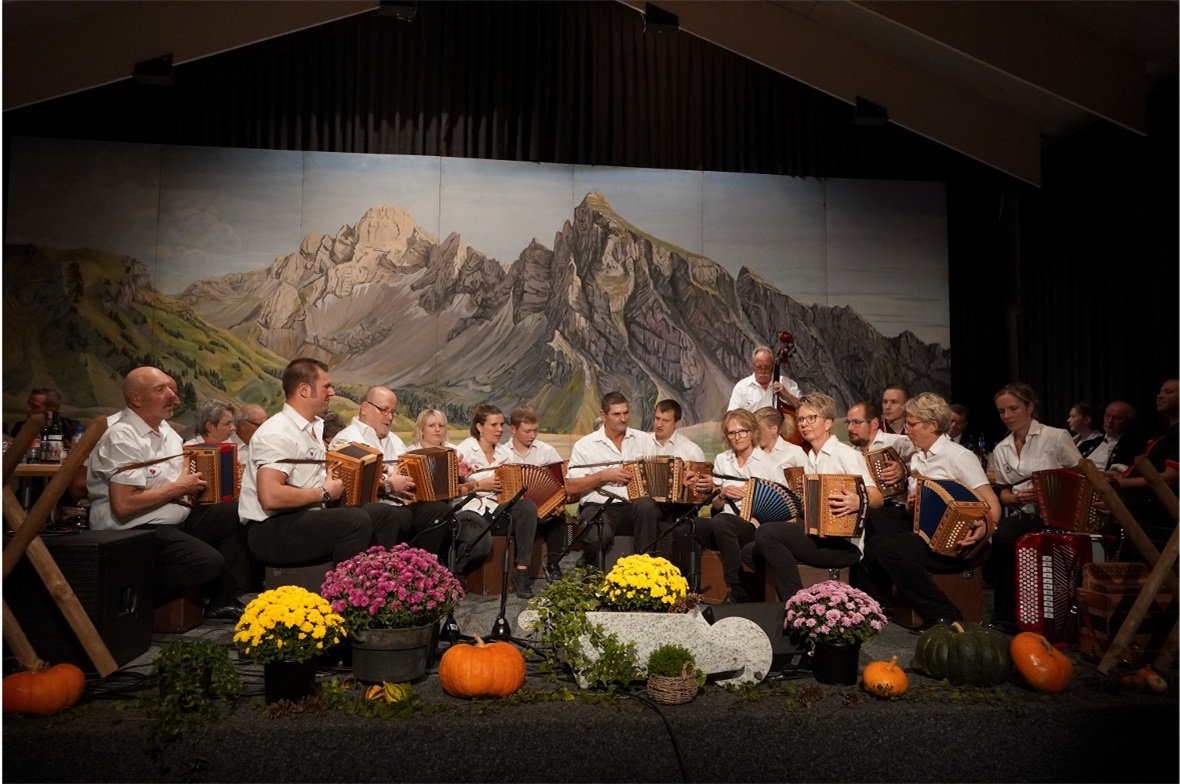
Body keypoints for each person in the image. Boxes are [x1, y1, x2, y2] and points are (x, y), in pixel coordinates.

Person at [85, 367, 247, 621]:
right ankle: (123, 597)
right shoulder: (122, 436)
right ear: (136, 399)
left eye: (171, 389)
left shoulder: (168, 434)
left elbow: (181, 479)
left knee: (238, 511)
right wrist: (179, 488)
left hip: (173, 517)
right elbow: (124, 505)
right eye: (161, 390)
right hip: (134, 529)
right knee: (207, 562)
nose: (173, 396)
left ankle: (221, 599)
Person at [238, 358, 404, 570]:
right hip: (271, 530)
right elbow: (271, 496)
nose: (332, 392)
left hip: (305, 516)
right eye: (326, 386)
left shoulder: (312, 429)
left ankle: (378, 586)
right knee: (355, 519)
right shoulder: (277, 432)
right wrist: (324, 493)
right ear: (305, 390)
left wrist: (366, 475)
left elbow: (317, 479)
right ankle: (344, 595)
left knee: (385, 514)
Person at [860, 393, 1001, 629]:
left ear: (933, 425)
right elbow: (913, 507)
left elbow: (991, 503)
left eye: (912, 424)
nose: (907, 430)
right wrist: (912, 504)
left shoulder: (959, 457)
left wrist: (987, 526)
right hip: (925, 530)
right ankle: (881, 604)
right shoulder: (918, 458)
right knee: (868, 528)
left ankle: (944, 613)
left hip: (958, 539)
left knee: (889, 549)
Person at [746, 393, 882, 601]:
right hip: (817, 537)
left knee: (767, 533)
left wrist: (858, 500)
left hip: (842, 546)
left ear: (828, 423)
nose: (804, 424)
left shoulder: (845, 455)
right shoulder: (811, 458)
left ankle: (795, 602)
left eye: (811, 418)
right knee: (748, 552)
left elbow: (876, 496)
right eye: (801, 419)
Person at [984, 382, 1083, 631]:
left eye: (1013, 409)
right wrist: (1017, 499)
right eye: (1001, 411)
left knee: (1004, 536)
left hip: (1058, 515)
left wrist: (1047, 493)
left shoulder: (1055, 437)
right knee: (995, 537)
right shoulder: (1002, 448)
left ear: (1030, 406)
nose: (1007, 416)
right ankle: (1008, 615)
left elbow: (1083, 476)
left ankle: (1008, 615)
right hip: (1021, 513)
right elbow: (1004, 493)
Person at [328, 386, 451, 556]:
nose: (390, 417)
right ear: (365, 408)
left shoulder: (395, 440)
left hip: (400, 505)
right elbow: (346, 485)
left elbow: (405, 474)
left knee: (439, 511)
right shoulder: (347, 439)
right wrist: (388, 484)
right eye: (384, 411)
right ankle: (386, 572)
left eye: (393, 412)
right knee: (393, 515)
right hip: (369, 509)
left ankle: (424, 568)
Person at [700, 409, 790, 602]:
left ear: (753, 432)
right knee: (688, 526)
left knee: (722, 521)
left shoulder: (769, 465)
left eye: (742, 431)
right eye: (732, 433)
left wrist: (755, 507)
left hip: (752, 528)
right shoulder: (722, 460)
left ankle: (737, 585)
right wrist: (722, 494)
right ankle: (694, 588)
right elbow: (715, 505)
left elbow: (785, 507)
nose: (737, 437)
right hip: (723, 527)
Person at [454, 404, 541, 598]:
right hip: (469, 509)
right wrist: (480, 485)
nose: (500, 430)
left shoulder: (505, 454)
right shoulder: (463, 451)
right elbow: (452, 491)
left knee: (526, 507)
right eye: (494, 425)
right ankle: (456, 570)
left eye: (502, 424)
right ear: (479, 427)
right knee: (482, 542)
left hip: (495, 508)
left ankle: (521, 571)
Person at [564, 392, 653, 569]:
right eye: (616, 414)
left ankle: (645, 572)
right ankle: (592, 577)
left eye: (626, 413)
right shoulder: (585, 445)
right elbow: (570, 487)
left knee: (647, 506)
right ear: (603, 415)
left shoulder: (644, 440)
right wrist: (603, 476)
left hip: (633, 506)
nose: (623, 419)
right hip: (599, 506)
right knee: (597, 532)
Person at [1103, 378, 1178, 550]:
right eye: (1160, 391)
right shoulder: (1163, 432)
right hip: (1140, 498)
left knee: (1101, 501)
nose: (1160, 396)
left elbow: (1170, 479)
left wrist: (1119, 483)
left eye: (1169, 392)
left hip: (1159, 505)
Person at [506, 405, 567, 581]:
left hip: (545, 507)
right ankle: (521, 569)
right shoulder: (503, 453)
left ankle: (554, 563)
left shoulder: (547, 451)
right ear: (514, 429)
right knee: (524, 510)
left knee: (559, 516)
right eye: (527, 431)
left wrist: (557, 503)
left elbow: (559, 484)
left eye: (535, 431)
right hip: (518, 510)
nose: (532, 436)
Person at [845, 400, 916, 542]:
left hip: (897, 510)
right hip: (869, 509)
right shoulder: (851, 453)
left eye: (856, 422)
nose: (850, 428)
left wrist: (904, 471)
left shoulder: (898, 442)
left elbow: (924, 466)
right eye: (848, 423)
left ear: (874, 423)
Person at [727, 346, 800, 413]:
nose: (763, 371)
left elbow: (804, 408)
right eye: (759, 367)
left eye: (767, 367)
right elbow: (731, 415)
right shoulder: (741, 387)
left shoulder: (788, 384)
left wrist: (787, 395)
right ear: (753, 367)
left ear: (773, 367)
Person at [1087, 400, 1140, 473]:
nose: (1110, 421)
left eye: (1117, 418)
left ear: (1128, 423)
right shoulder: (1092, 441)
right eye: (1108, 416)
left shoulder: (1131, 445)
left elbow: (1116, 474)